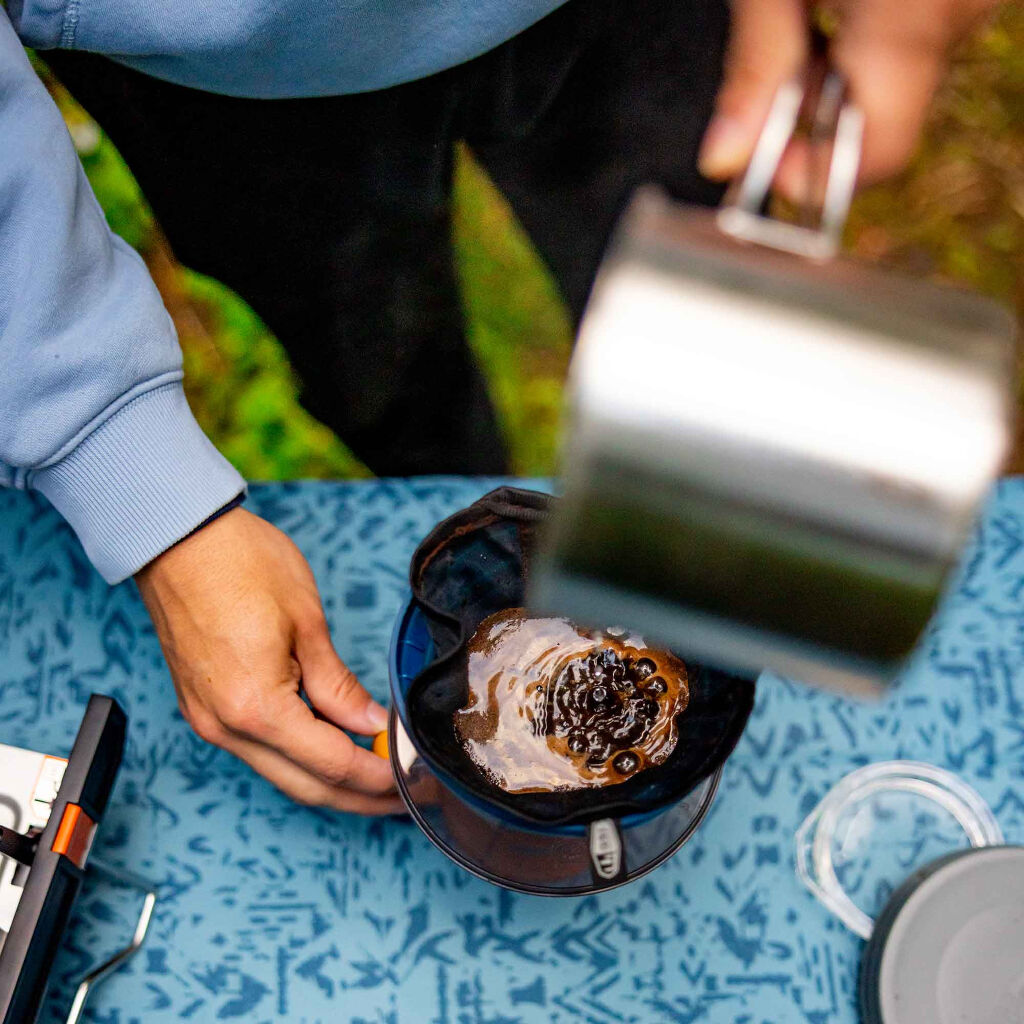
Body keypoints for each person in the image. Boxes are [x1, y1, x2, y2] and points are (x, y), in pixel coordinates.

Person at [0, 0, 1000, 813]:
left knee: (709, 335)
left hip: (618, 20)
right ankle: (441, 456)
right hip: (223, 75)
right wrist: (118, 452)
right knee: (384, 370)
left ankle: (702, 489)